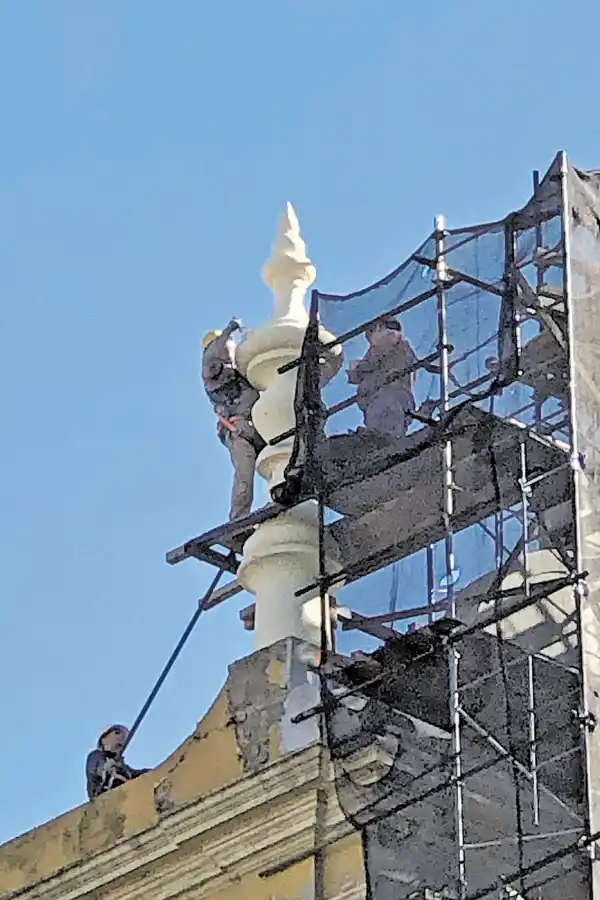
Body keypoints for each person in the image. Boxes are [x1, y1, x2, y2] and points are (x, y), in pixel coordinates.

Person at [202, 319, 266, 521]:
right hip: (238, 431)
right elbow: (216, 349)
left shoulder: (237, 373)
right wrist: (230, 329)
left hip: (258, 428)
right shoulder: (212, 370)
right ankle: (238, 519)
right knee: (243, 477)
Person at [347, 316, 418, 440]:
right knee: (386, 427)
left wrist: (357, 370)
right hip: (390, 395)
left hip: (388, 394)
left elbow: (371, 363)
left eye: (369, 332)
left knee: (384, 432)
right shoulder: (400, 345)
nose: (369, 339)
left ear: (379, 327)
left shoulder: (389, 336)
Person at [86, 725, 149, 800]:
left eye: (125, 740)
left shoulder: (121, 764)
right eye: (117, 733)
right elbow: (97, 770)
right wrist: (108, 768)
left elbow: (134, 773)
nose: (122, 738)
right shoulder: (95, 755)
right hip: (101, 793)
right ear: (104, 739)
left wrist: (150, 772)